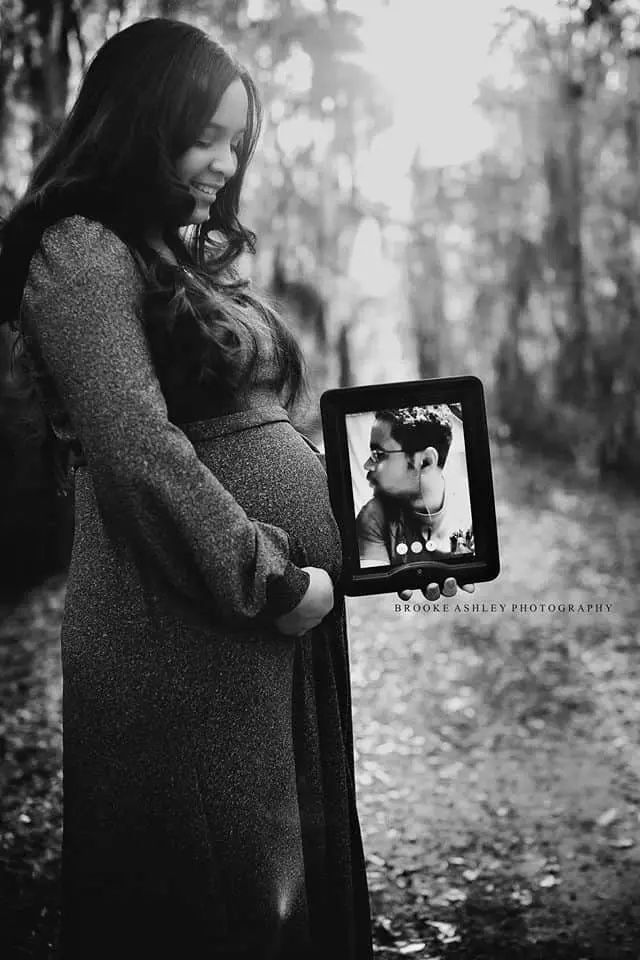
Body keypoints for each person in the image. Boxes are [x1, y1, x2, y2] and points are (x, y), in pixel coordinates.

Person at [0, 17, 469, 959]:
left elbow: (268, 433)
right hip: (184, 626)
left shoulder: (177, 251)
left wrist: (391, 544)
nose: (223, 162)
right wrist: (278, 581)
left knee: (287, 878)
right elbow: (138, 452)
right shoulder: (80, 250)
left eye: (237, 141)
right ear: (137, 121)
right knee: (221, 893)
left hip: (258, 624)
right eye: (203, 135)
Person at [356, 406, 474, 568]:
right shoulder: (374, 518)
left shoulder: (472, 509)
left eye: (379, 454)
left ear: (426, 461)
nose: (367, 465)